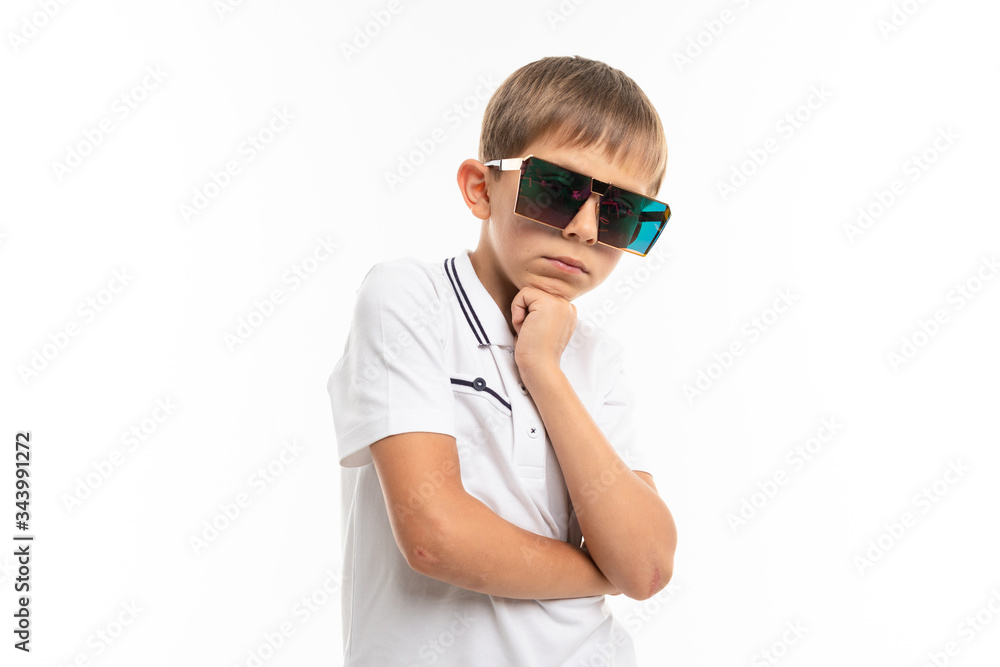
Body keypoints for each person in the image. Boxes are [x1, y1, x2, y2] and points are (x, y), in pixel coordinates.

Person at [327, 55, 678, 666]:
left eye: (621, 212)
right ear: (479, 188)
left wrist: (544, 370)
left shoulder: (595, 358)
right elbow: (435, 536)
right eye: (559, 190)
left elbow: (646, 566)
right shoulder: (410, 297)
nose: (585, 230)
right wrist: (604, 573)